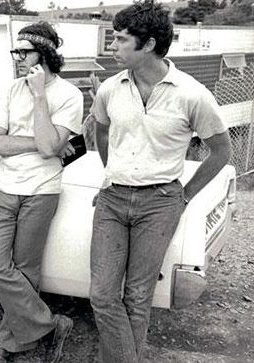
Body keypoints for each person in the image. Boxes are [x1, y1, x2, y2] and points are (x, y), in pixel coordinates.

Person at [89, 1, 231, 362]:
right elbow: (101, 133)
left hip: (161, 202)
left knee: (137, 296)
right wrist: (110, 174)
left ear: (149, 44)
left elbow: (220, 151)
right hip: (113, 199)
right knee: (103, 295)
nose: (113, 47)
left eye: (121, 40)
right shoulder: (109, 89)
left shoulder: (192, 93)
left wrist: (184, 195)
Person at [0, 21, 83, 363]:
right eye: (16, 51)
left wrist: (40, 95)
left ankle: (9, 342)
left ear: (46, 54)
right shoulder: (10, 90)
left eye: (24, 52)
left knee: (26, 270)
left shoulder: (69, 95)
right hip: (6, 187)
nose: (17, 58)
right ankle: (52, 324)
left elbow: (47, 147)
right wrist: (48, 145)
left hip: (42, 191)